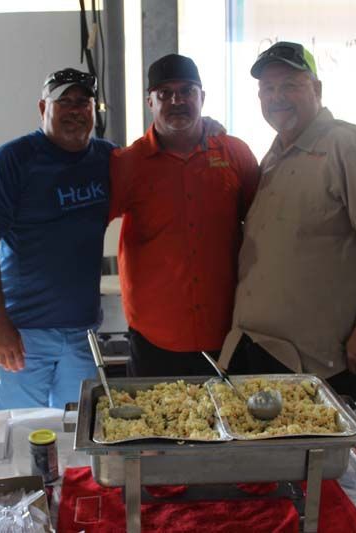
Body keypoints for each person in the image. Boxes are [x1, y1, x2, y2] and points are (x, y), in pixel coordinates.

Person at [218, 41, 356, 401]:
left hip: (319, 363)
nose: (277, 97)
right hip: (255, 348)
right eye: (268, 88)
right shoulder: (274, 154)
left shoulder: (350, 146)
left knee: (320, 457)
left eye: (290, 84)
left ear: (316, 89)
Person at [0, 68, 115, 409]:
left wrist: (206, 132)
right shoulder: (12, 161)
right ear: (42, 107)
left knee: (77, 433)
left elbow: (153, 165)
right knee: (22, 435)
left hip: (83, 332)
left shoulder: (107, 159)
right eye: (64, 101)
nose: (75, 110)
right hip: (23, 334)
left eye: (84, 102)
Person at [109, 53, 260, 377]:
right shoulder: (127, 163)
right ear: (150, 101)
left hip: (228, 331)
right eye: (164, 93)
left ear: (202, 97)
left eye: (187, 91)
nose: (177, 100)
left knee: (230, 424)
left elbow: (264, 225)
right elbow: (84, 224)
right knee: (159, 427)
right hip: (155, 336)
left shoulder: (235, 153)